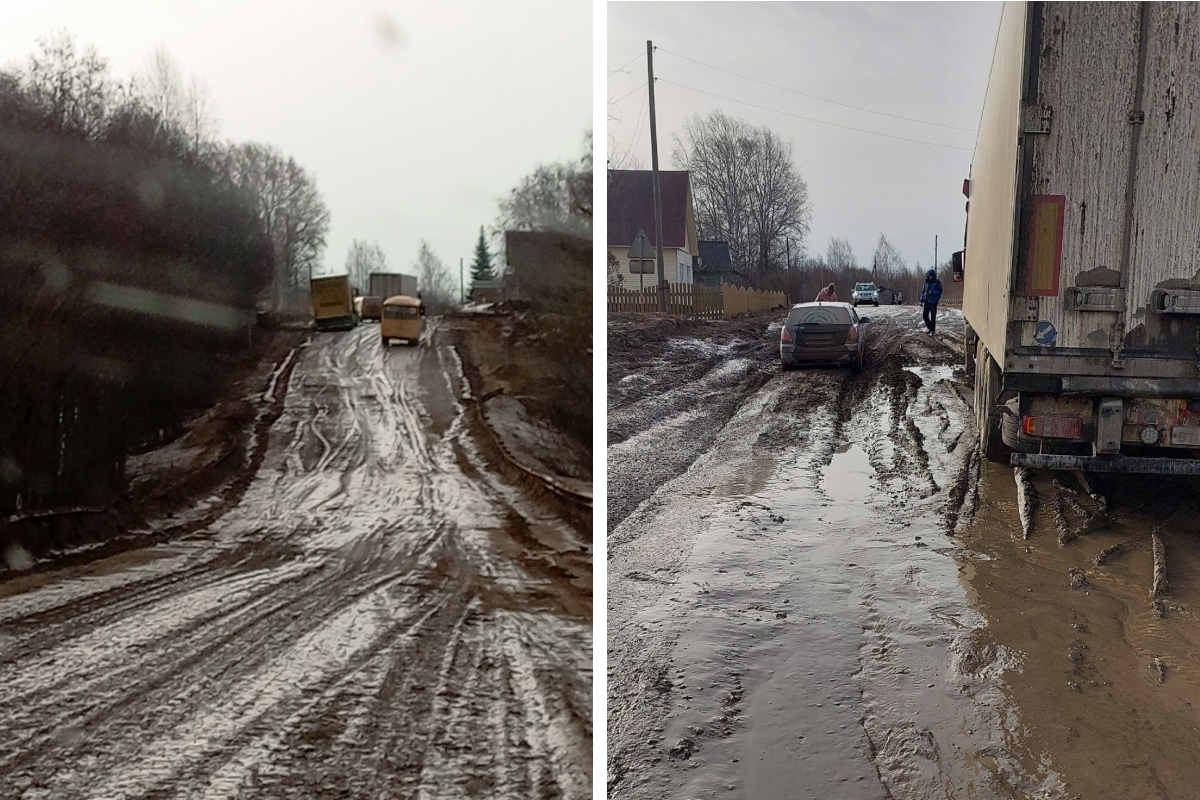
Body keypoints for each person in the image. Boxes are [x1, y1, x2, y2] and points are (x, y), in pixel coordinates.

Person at [920, 269, 943, 334]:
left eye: (931, 276)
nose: (930, 277)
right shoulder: (926, 283)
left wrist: (931, 292)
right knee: (925, 316)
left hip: (933, 302)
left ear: (933, 276)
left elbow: (939, 292)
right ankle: (930, 327)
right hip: (927, 302)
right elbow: (923, 292)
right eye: (928, 276)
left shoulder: (937, 282)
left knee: (933, 317)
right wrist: (921, 301)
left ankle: (932, 330)